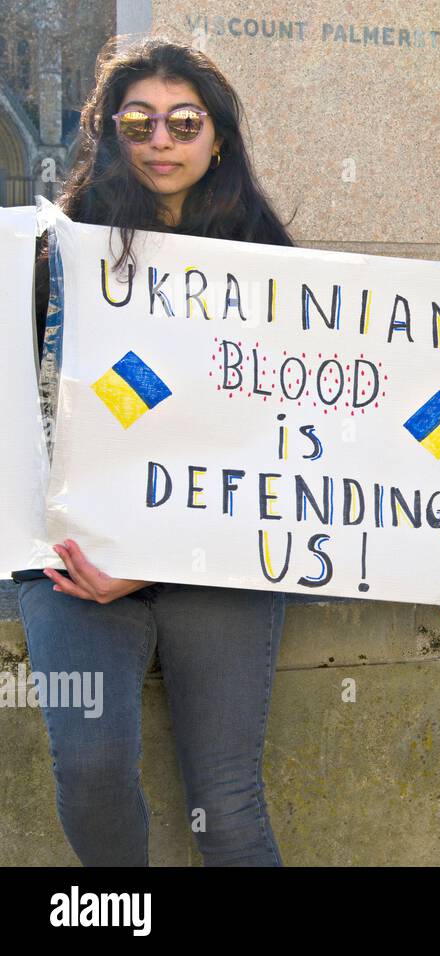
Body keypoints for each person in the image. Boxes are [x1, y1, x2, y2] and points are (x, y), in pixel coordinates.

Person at [16, 37, 294, 866]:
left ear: (218, 137)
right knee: (92, 768)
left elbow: (280, 440)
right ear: (107, 131)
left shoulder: (274, 268)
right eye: (136, 120)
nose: (161, 139)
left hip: (219, 555)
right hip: (72, 560)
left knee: (230, 800)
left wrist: (159, 555)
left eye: (184, 121)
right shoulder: (51, 259)